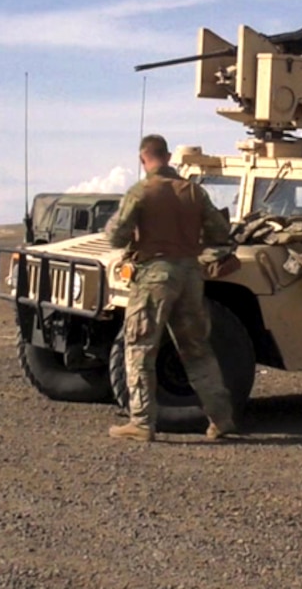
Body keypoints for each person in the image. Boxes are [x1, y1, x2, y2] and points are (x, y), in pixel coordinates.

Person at [106, 135, 240, 441]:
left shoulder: (141, 192)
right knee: (197, 350)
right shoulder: (193, 191)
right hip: (191, 275)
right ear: (168, 157)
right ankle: (221, 418)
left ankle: (141, 423)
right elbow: (220, 232)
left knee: (140, 347)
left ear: (143, 160)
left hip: (154, 275)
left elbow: (116, 237)